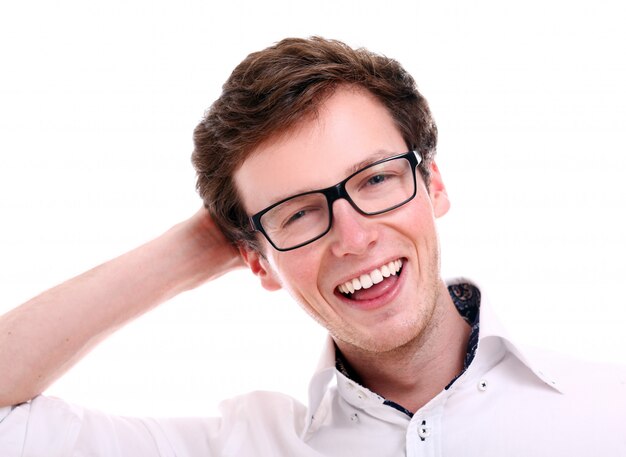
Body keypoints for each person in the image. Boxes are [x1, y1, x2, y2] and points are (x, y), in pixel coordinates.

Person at [0, 36, 624, 456]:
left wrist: (271, 223)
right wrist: (201, 245)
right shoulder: (247, 443)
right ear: (255, 260)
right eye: (299, 214)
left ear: (432, 184)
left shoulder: (607, 411)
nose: (354, 239)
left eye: (377, 179)